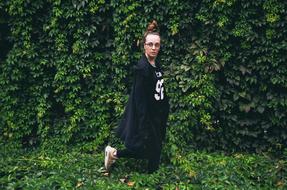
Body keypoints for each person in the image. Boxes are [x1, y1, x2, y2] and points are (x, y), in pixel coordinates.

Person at [104, 20, 170, 174]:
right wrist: (144, 123)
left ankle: (115, 154)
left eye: (157, 45)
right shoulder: (142, 68)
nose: (154, 48)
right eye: (150, 44)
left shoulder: (156, 65)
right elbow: (139, 100)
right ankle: (152, 178)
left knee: (153, 149)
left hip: (157, 115)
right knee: (149, 149)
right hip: (148, 117)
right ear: (144, 46)